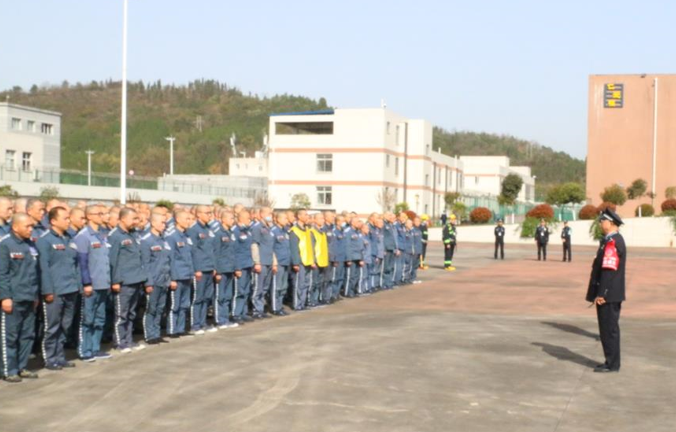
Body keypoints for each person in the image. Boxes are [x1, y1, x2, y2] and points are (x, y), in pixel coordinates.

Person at [36, 207, 80, 370]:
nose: (68, 220)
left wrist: (78, 286)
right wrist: (47, 291)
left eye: (69, 217)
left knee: (65, 325)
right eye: (65, 218)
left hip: (70, 289)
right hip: (55, 290)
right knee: (52, 326)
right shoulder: (45, 240)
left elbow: (75, 264)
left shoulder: (69, 238)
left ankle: (60, 356)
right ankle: (49, 358)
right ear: (53, 221)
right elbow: (44, 267)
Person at [0, 213, 40, 382]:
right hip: (14, 298)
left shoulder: (30, 245)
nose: (31, 229)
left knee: (27, 335)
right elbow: (2, 274)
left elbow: (34, 273)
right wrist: (5, 297)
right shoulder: (5, 245)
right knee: (10, 336)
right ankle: (9, 370)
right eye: (27, 226)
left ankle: (22, 367)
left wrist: (36, 295)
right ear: (15, 227)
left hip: (29, 297)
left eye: (32, 226)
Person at [586, 208, 626, 373]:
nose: (601, 223)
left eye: (602, 221)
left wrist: (602, 294)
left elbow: (609, 271)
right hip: (609, 293)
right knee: (606, 329)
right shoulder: (609, 240)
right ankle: (610, 361)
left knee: (609, 329)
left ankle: (612, 364)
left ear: (610, 223)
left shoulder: (612, 242)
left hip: (608, 295)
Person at [73, 205, 113, 362]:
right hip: (92, 285)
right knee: (87, 319)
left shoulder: (101, 235)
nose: (103, 216)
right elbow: (82, 263)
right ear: (89, 216)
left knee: (99, 318)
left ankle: (95, 348)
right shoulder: (83, 237)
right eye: (99, 213)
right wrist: (86, 283)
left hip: (103, 284)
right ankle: (84, 350)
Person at [108, 208, 149, 352]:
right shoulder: (115, 236)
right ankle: (120, 342)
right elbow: (113, 260)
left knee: (131, 313)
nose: (136, 222)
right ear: (123, 219)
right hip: (123, 282)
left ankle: (129, 340)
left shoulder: (134, 234)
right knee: (121, 314)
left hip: (136, 279)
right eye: (134, 218)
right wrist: (115, 281)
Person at [139, 213, 171, 344]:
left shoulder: (163, 240)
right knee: (151, 309)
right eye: (162, 222)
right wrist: (148, 282)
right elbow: (145, 263)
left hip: (164, 279)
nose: (164, 225)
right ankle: (150, 335)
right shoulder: (146, 240)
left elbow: (167, 261)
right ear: (153, 223)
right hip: (153, 280)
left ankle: (156, 333)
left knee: (160, 308)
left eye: (165, 223)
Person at [186, 205, 218, 334]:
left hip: (209, 267)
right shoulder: (193, 230)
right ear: (198, 214)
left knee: (206, 297)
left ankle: (203, 322)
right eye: (207, 213)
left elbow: (212, 250)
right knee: (197, 298)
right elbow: (193, 251)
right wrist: (197, 269)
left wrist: (214, 266)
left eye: (210, 213)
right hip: (200, 269)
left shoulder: (209, 229)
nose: (209, 215)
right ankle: (195, 324)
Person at [165, 210, 194, 337]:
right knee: (174, 305)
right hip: (177, 275)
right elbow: (170, 258)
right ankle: (172, 329)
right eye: (187, 218)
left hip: (187, 274)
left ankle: (180, 328)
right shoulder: (172, 236)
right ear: (178, 220)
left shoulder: (186, 235)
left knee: (185, 304)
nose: (189, 221)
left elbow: (189, 256)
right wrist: (172, 278)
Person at [213, 210, 239, 328]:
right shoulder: (218, 233)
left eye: (233, 218)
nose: (232, 220)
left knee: (228, 295)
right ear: (223, 219)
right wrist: (217, 271)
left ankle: (225, 318)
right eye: (230, 218)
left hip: (230, 268)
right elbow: (216, 253)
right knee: (220, 296)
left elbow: (234, 252)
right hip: (222, 269)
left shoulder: (231, 233)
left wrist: (236, 268)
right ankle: (219, 320)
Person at [251, 207, 275, 318]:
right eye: (268, 213)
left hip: (269, 260)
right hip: (261, 261)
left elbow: (271, 246)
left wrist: (274, 262)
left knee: (265, 287)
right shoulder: (257, 228)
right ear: (261, 214)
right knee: (258, 287)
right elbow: (255, 245)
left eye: (271, 213)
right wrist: (257, 262)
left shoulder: (269, 228)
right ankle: (256, 310)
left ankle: (261, 308)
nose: (270, 215)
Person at [289, 209, 315, 310]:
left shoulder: (307, 230)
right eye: (305, 215)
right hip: (300, 261)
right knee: (298, 284)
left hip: (307, 261)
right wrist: (295, 262)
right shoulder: (294, 231)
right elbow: (294, 248)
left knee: (305, 284)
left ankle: (302, 303)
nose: (307, 216)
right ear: (299, 216)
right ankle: (297, 304)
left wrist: (312, 260)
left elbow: (310, 246)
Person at [232, 210, 254, 323]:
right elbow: (234, 251)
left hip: (248, 264)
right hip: (240, 265)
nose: (249, 220)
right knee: (239, 291)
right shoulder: (235, 231)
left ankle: (243, 312)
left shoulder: (247, 231)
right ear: (241, 219)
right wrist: (237, 268)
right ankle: (236, 314)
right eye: (247, 218)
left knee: (246, 290)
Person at [270, 212, 290, 316]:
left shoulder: (285, 231)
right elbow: (271, 248)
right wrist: (274, 262)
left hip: (286, 262)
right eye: (285, 218)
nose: (287, 220)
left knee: (283, 287)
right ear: (278, 219)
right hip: (278, 263)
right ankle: (275, 308)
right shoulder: (274, 231)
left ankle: (280, 305)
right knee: (276, 287)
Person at [310, 213, 331, 306]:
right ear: (314, 220)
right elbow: (311, 247)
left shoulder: (322, 232)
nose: (322, 220)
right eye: (320, 218)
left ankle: (318, 298)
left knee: (321, 281)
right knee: (314, 282)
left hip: (323, 260)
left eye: (323, 218)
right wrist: (313, 260)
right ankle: (312, 300)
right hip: (316, 261)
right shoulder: (311, 231)